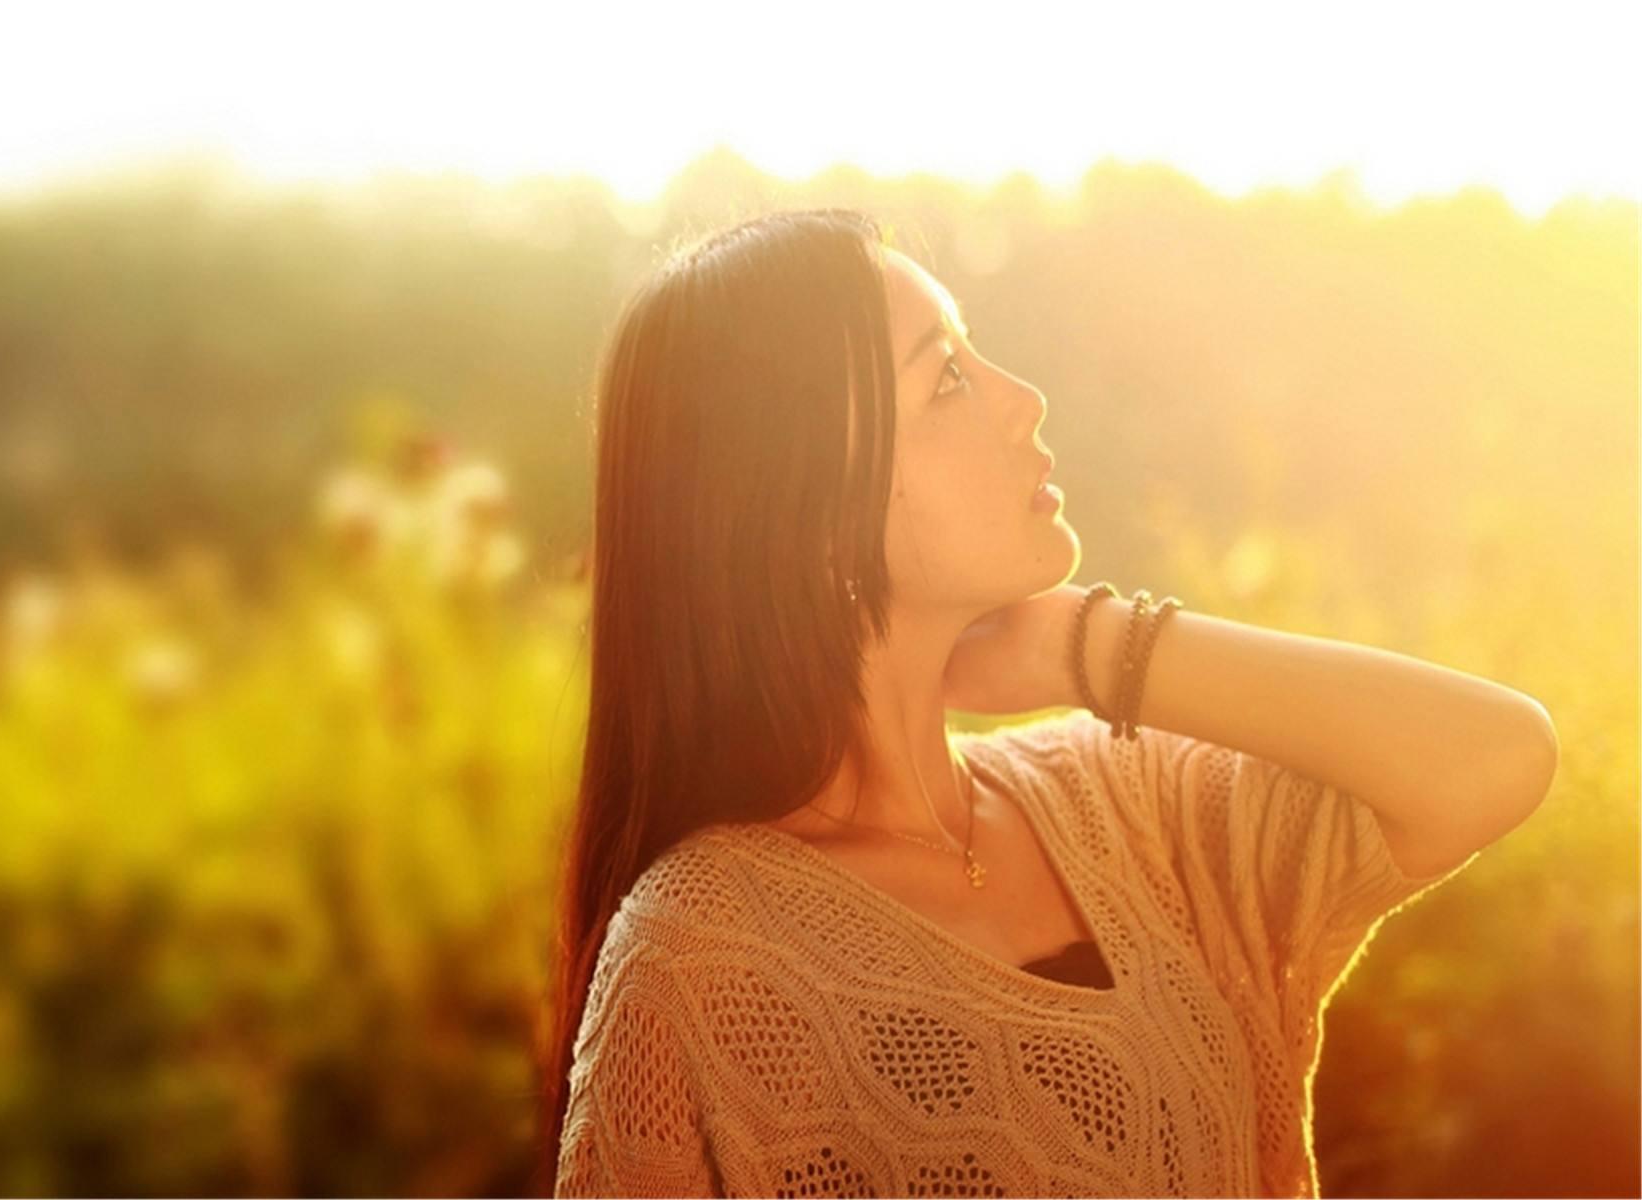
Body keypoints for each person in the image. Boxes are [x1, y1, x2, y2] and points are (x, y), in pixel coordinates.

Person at [536, 208, 1554, 1197]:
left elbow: (1495, 759)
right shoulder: (701, 962)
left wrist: (1097, 649)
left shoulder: (1124, 799)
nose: (1022, 398)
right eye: (946, 378)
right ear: (806, 510)